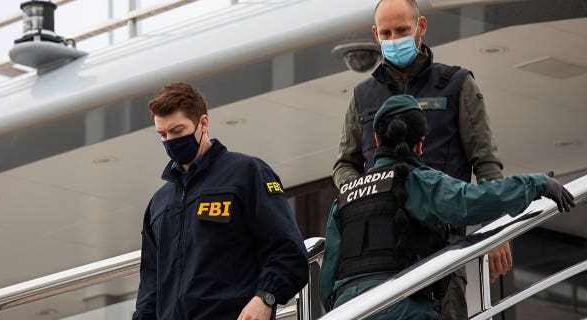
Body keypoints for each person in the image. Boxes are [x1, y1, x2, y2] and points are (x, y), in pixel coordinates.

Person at [320, 94, 575, 319]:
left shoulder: (345, 196)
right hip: (404, 308)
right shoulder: (420, 181)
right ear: (421, 142)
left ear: (376, 140)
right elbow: (476, 200)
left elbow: (326, 280)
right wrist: (537, 183)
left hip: (349, 311)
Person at [332, 0, 509, 317]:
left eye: (402, 30)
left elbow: (486, 162)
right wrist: (367, 192)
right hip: (378, 255)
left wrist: (497, 228)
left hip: (440, 248)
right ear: (375, 34)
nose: (393, 38)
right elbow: (345, 163)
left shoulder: (457, 84)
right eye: (385, 32)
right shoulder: (362, 96)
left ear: (421, 26)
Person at [132, 82, 309, 320]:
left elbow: (289, 254)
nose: (169, 141)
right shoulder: (159, 204)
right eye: (162, 135)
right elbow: (150, 290)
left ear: (203, 123)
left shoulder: (246, 174)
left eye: (177, 131)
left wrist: (265, 297)